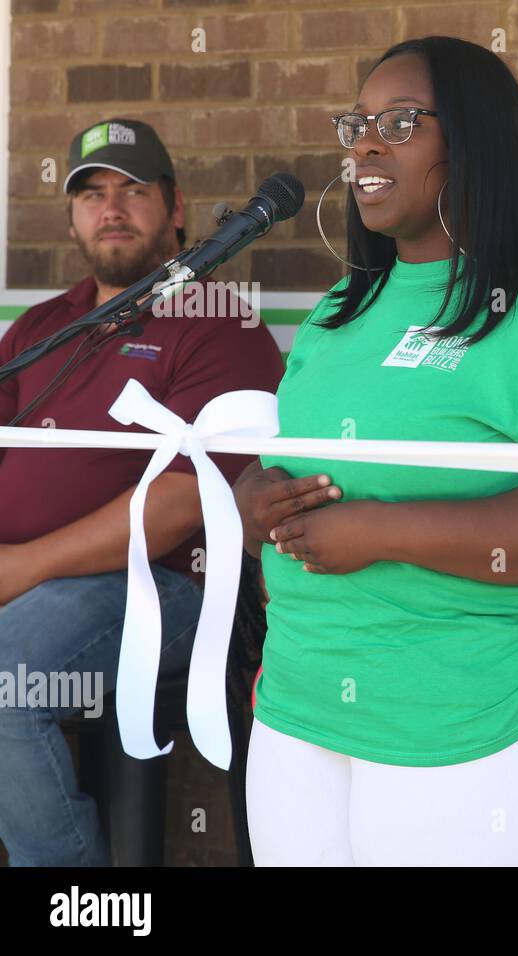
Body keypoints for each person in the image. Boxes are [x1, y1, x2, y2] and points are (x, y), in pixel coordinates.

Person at [234, 36, 518, 867]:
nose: (364, 145)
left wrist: (383, 533)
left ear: (473, 139)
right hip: (303, 707)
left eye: (399, 123)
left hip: (478, 714)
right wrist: (253, 499)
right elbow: (297, 469)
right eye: (355, 124)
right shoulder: (338, 311)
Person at [0, 118, 284, 866]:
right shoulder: (40, 328)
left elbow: (183, 503)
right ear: (71, 217)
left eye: (132, 190)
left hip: (163, 585)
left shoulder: (218, 325)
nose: (112, 208)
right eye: (92, 194)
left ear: (177, 206)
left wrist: (23, 566)